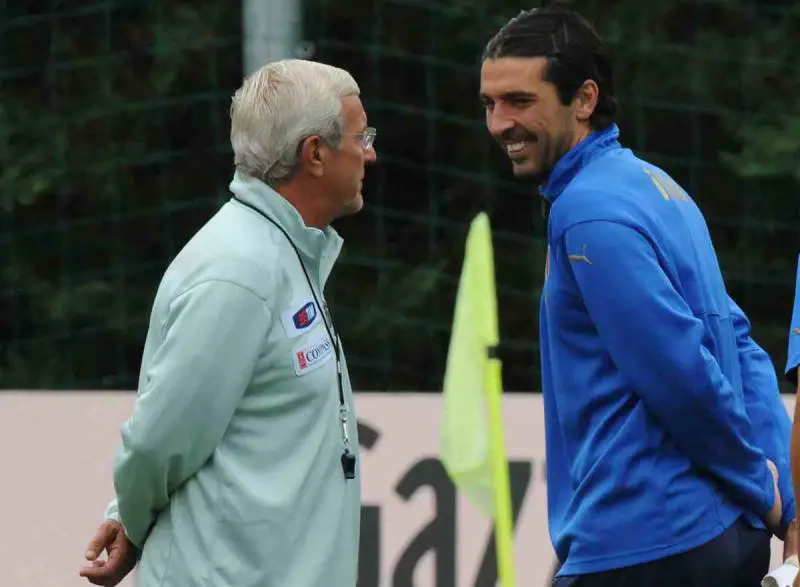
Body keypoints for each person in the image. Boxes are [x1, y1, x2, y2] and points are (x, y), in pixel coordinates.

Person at [478, 6, 795, 586]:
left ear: (585, 99)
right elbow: (742, 347)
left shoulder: (586, 211)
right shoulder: (660, 188)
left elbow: (681, 375)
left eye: (520, 101)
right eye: (490, 104)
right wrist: (782, 498)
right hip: (722, 537)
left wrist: (765, 489)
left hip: (643, 544)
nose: (500, 123)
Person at [78, 58, 377, 587]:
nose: (370, 153)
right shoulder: (238, 273)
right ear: (314, 153)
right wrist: (130, 518)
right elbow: (158, 443)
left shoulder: (278, 253)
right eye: (362, 137)